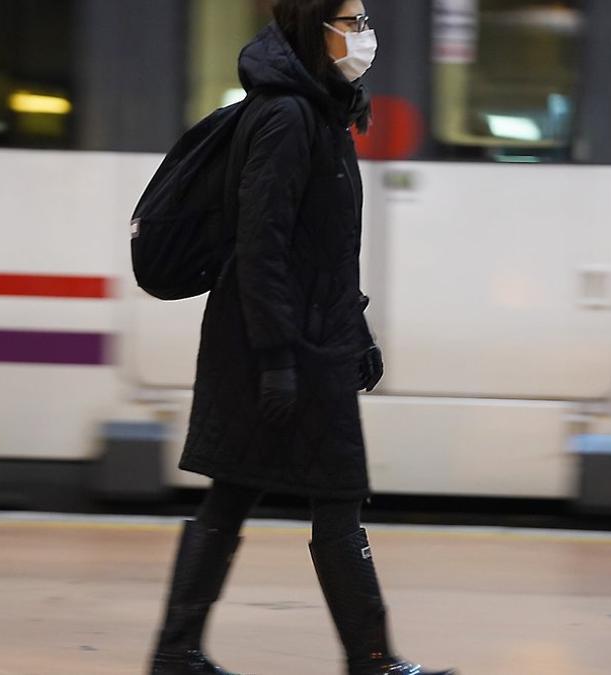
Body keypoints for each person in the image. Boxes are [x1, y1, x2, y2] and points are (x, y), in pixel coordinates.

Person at [148, 2, 455, 674]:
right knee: (331, 494)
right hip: (278, 343)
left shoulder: (321, 112)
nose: (363, 34)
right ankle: (372, 662)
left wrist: (358, 326)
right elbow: (262, 247)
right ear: (314, 26)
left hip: (304, 335)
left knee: (236, 490)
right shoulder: (288, 118)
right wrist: (279, 359)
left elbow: (323, 249)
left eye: (365, 19)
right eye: (351, 19)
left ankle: (177, 652)